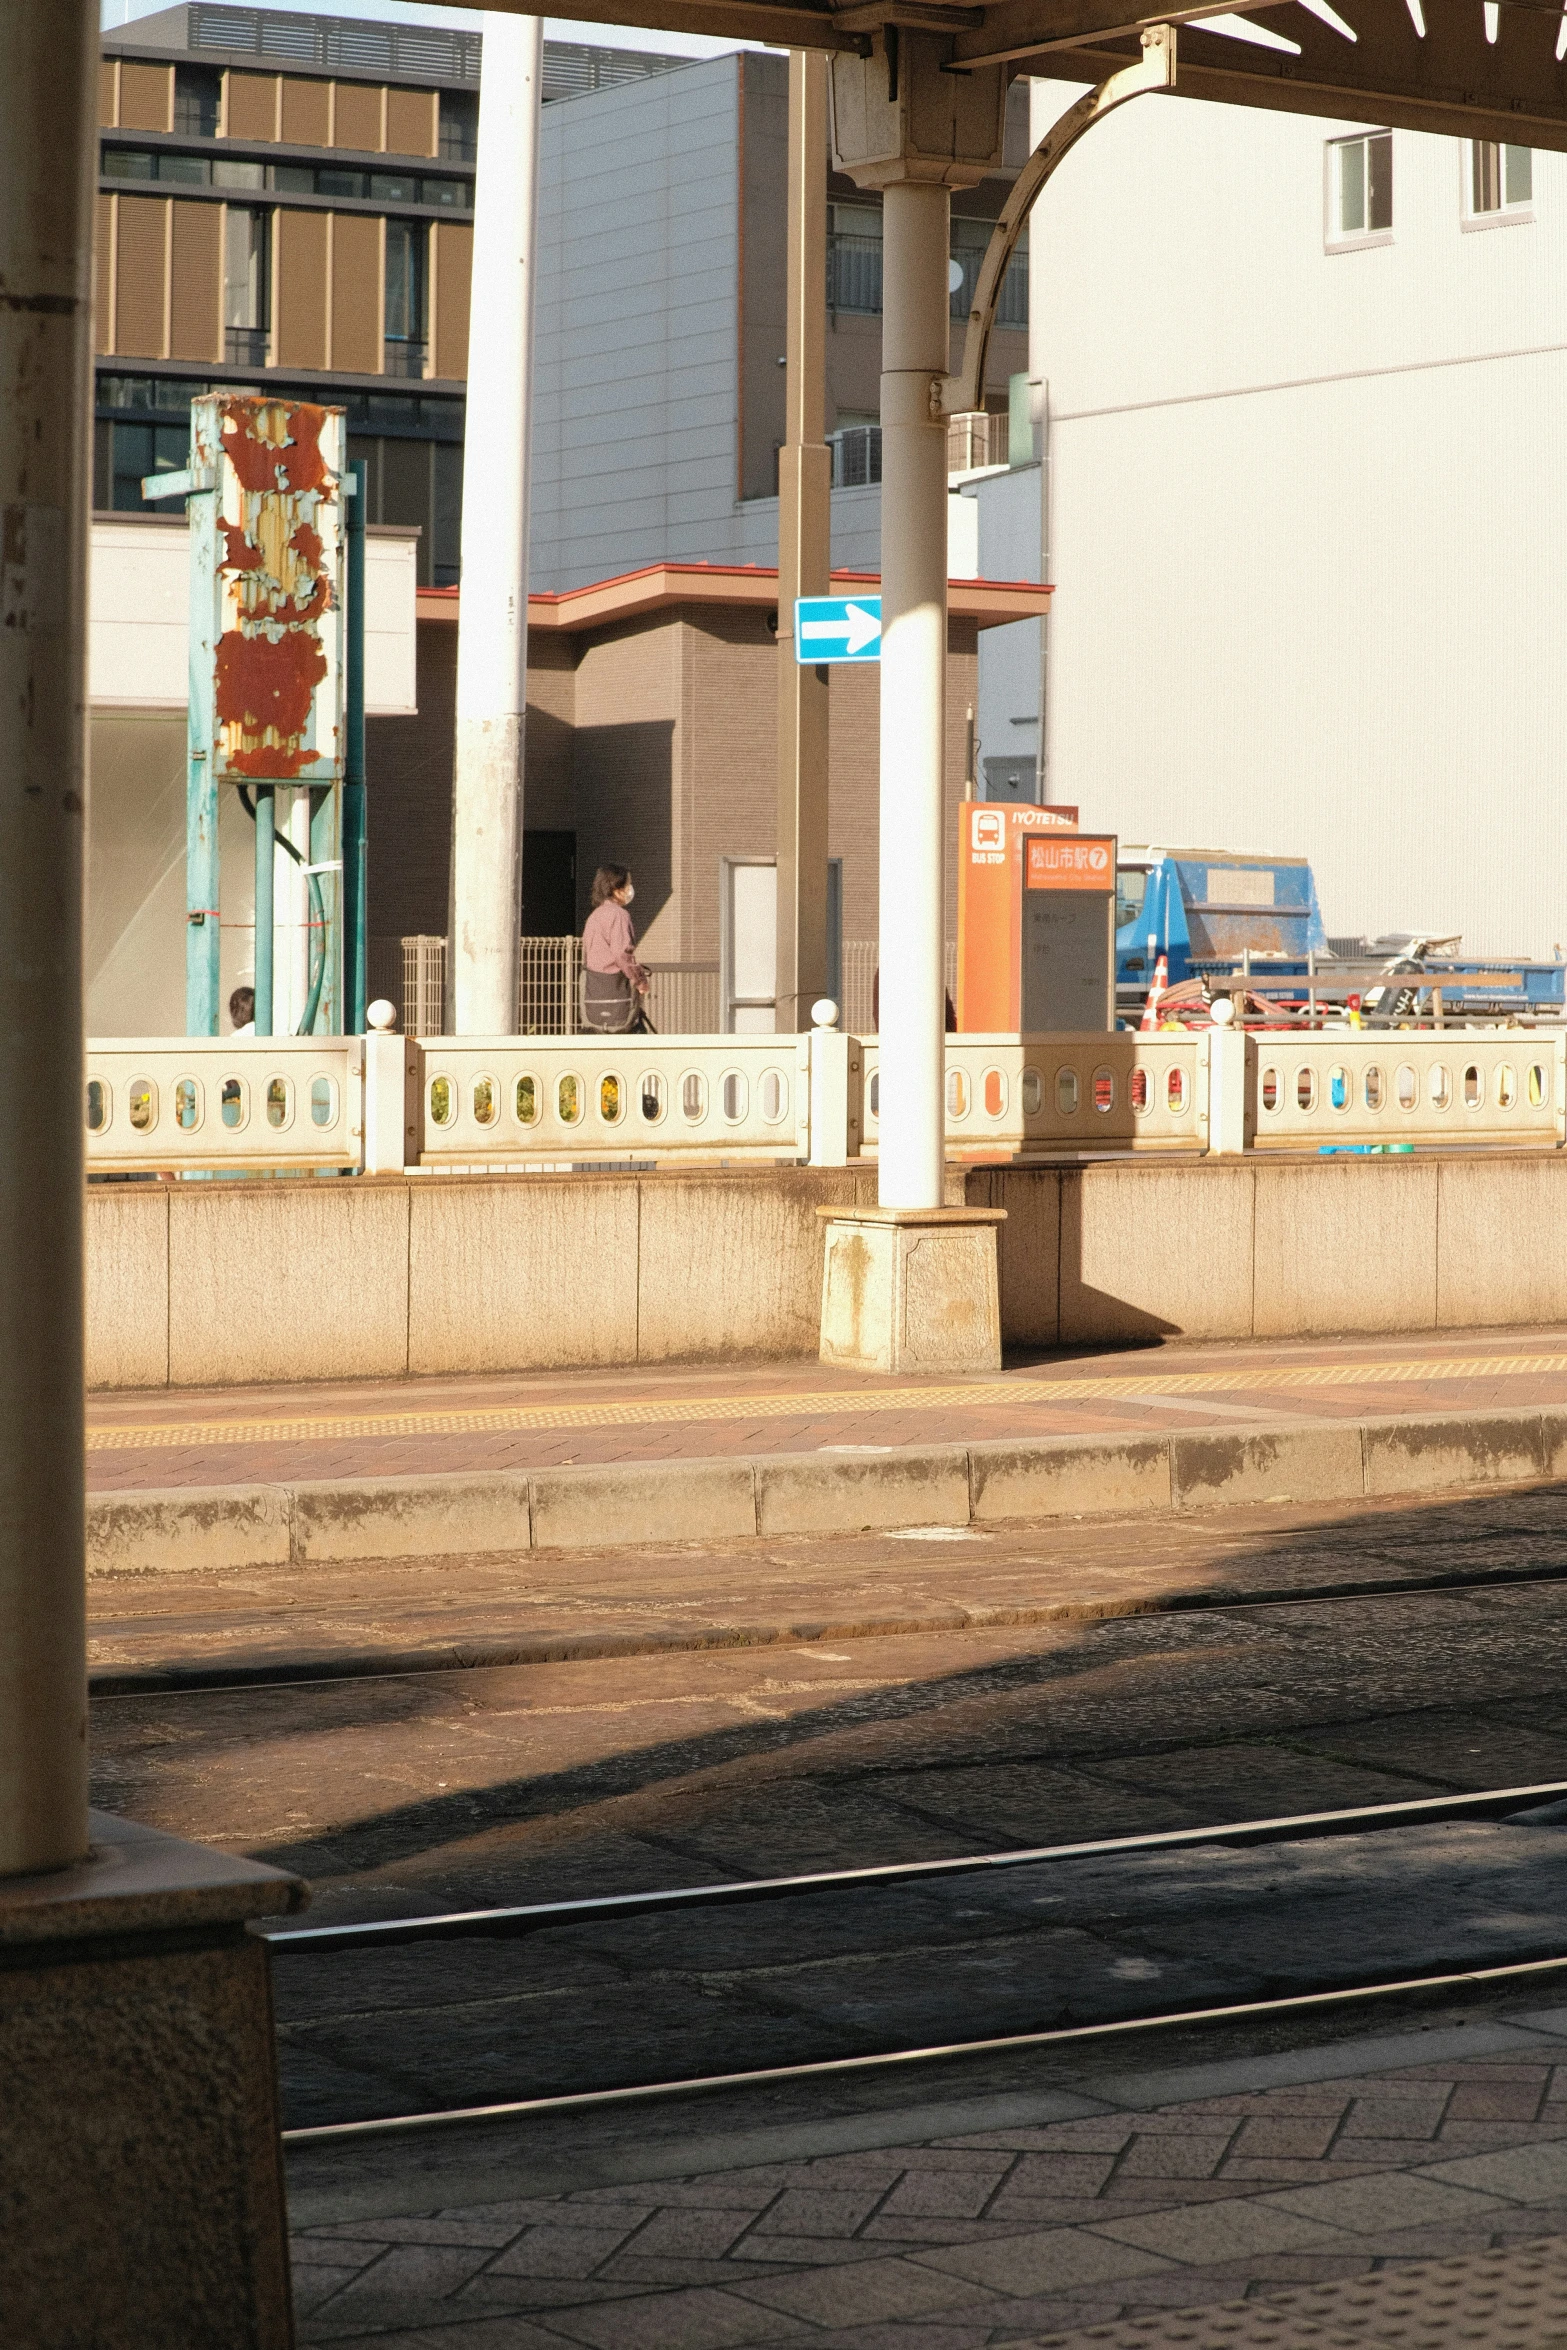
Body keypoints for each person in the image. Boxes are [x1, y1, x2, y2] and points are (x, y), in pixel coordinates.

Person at [581, 865, 650, 1032]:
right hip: (618, 992)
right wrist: (640, 981)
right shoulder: (619, 915)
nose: (629, 890)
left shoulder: (594, 916)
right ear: (616, 889)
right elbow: (622, 954)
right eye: (627, 885)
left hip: (594, 991)